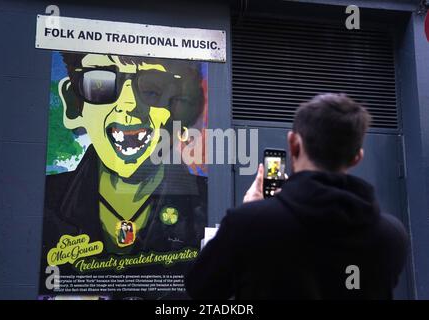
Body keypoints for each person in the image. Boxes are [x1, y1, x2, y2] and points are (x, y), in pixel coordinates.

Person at [185, 93, 409, 299]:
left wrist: (246, 214)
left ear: (293, 144)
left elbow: (201, 289)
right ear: (357, 157)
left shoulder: (248, 224)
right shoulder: (391, 235)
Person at [39, 53, 207, 299]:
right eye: (101, 84)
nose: (128, 105)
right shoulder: (44, 203)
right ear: (74, 104)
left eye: (153, 90)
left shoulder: (207, 204)